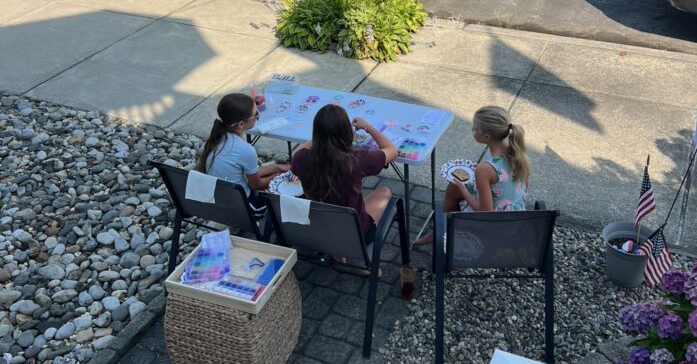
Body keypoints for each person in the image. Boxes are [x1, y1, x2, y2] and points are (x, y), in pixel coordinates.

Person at [415, 106, 530, 245]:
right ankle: (440, 230)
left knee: (457, 187)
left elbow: (485, 213)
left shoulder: (484, 169)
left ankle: (441, 232)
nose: (472, 130)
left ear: (486, 137)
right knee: (453, 187)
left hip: (495, 227)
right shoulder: (516, 151)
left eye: (475, 128)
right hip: (516, 218)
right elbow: (523, 186)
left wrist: (464, 189)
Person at [290, 103, 398, 248]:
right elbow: (392, 150)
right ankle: (347, 253)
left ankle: (338, 253)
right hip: (356, 234)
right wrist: (368, 127)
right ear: (347, 132)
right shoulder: (356, 160)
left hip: (320, 228)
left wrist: (321, 137)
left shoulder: (301, 158)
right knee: (384, 192)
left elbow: (297, 153)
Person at [197, 93, 289, 212]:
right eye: (256, 115)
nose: (257, 116)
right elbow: (256, 185)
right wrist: (280, 177)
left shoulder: (217, 138)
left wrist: (276, 168)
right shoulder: (245, 149)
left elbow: (247, 173)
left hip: (217, 200)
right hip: (242, 207)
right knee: (286, 195)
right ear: (241, 124)